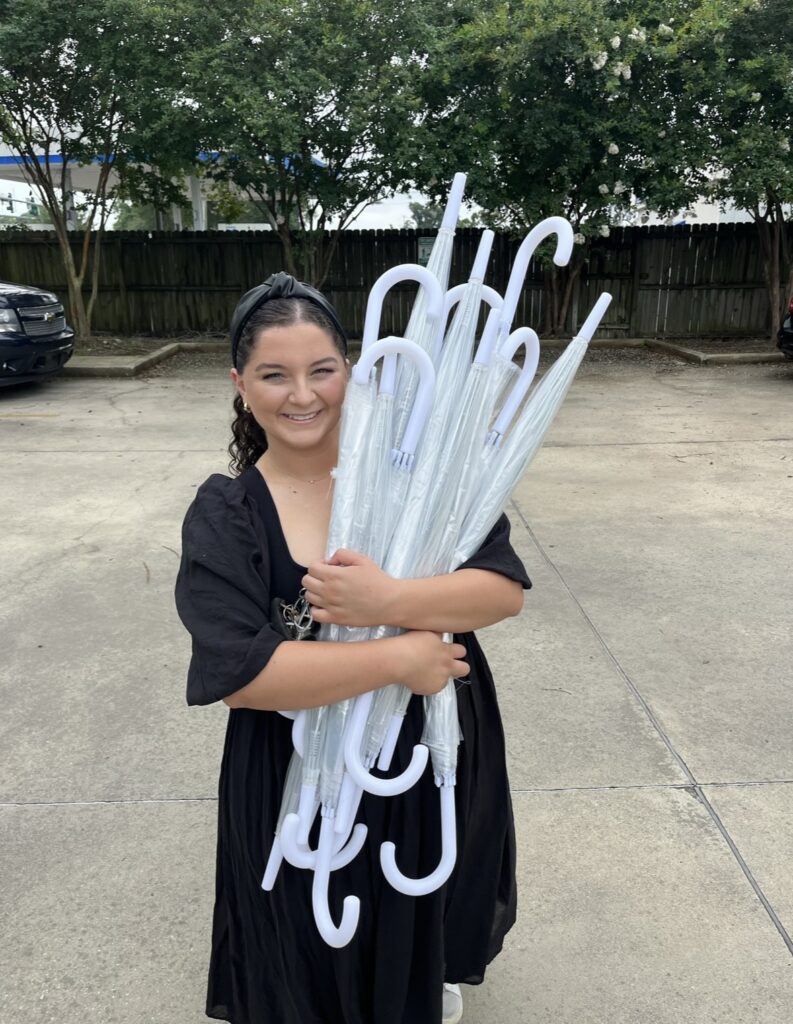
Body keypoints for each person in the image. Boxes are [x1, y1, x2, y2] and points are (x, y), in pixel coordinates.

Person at [174, 272, 532, 1024]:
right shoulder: (228, 512)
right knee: (299, 952)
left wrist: (390, 602)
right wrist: (397, 655)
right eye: (274, 374)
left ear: (354, 369)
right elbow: (243, 675)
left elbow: (500, 589)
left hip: (421, 751)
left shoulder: (422, 480)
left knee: (407, 924)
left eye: (322, 370)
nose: (301, 395)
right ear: (241, 385)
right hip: (289, 768)